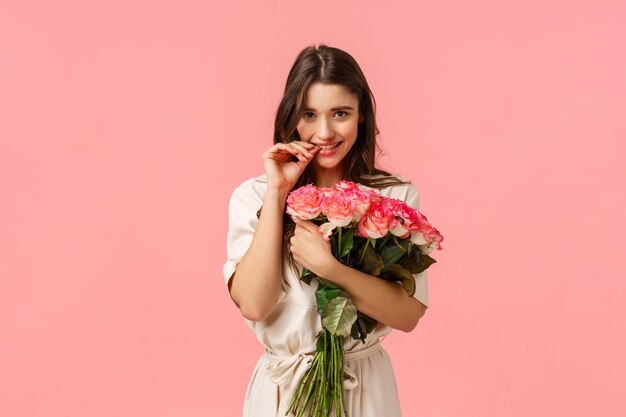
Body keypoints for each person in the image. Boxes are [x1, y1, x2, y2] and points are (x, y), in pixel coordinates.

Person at [222, 43, 429, 417]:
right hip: (283, 394)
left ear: (361, 115)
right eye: (309, 114)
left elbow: (408, 316)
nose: (324, 131)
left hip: (365, 389)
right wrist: (278, 191)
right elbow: (254, 304)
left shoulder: (394, 197)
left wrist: (330, 268)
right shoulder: (254, 195)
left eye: (340, 113)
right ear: (292, 117)